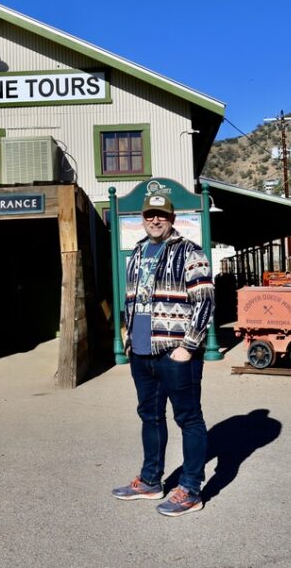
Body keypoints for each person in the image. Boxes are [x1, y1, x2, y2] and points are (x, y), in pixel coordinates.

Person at [111, 192, 214, 516]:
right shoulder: (138, 252)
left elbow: (206, 301)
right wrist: (128, 340)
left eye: (162, 215)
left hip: (175, 354)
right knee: (150, 417)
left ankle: (191, 489)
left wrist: (188, 346)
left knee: (189, 419)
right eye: (150, 215)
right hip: (142, 353)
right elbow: (130, 298)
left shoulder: (190, 252)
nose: (155, 220)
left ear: (172, 219)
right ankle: (151, 481)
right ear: (143, 218)